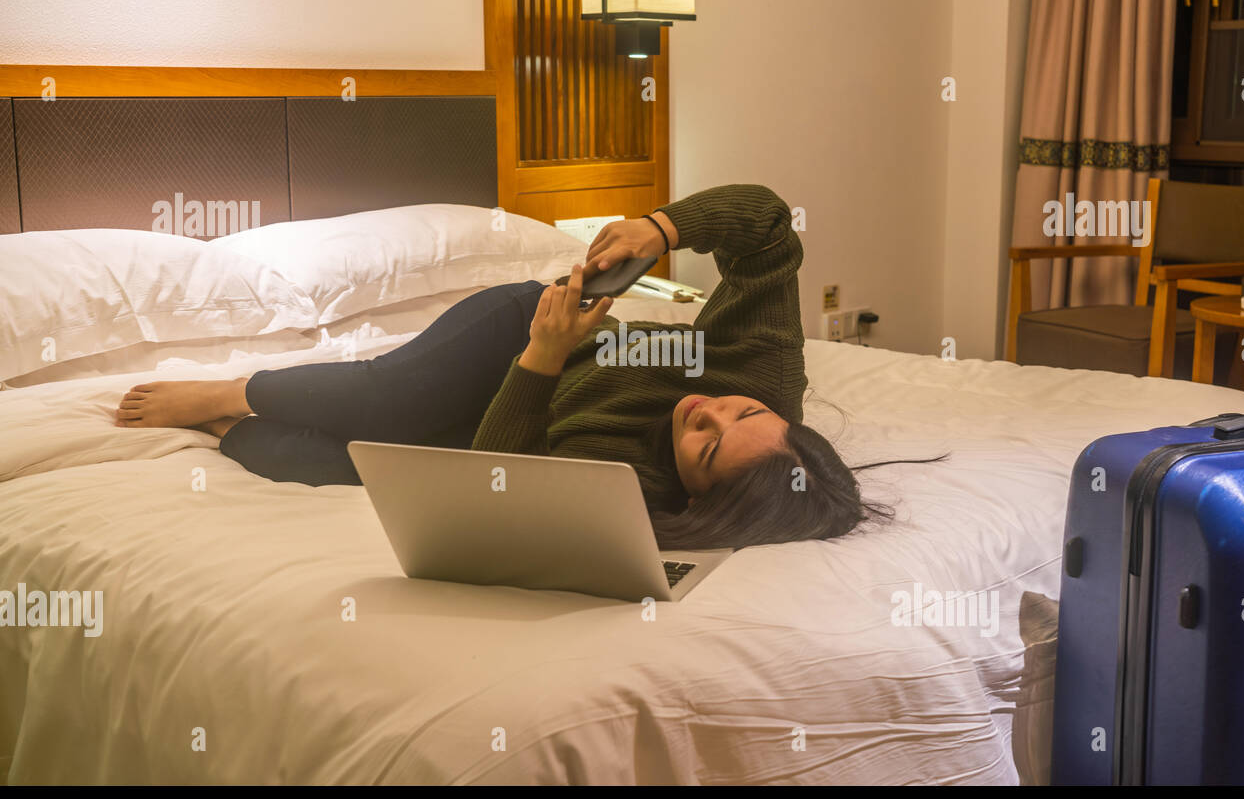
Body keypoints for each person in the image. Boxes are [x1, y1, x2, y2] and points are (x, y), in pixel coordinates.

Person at [116, 184, 907, 550]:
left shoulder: (639, 489)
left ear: (700, 495)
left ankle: (231, 429)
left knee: (365, 473)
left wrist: (541, 370)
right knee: (388, 404)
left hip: (528, 389)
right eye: (743, 414)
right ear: (780, 416)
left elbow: (495, 477)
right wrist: (660, 228)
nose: (709, 412)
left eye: (705, 445)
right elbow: (768, 228)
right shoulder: (761, 374)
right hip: (520, 333)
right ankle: (232, 389)